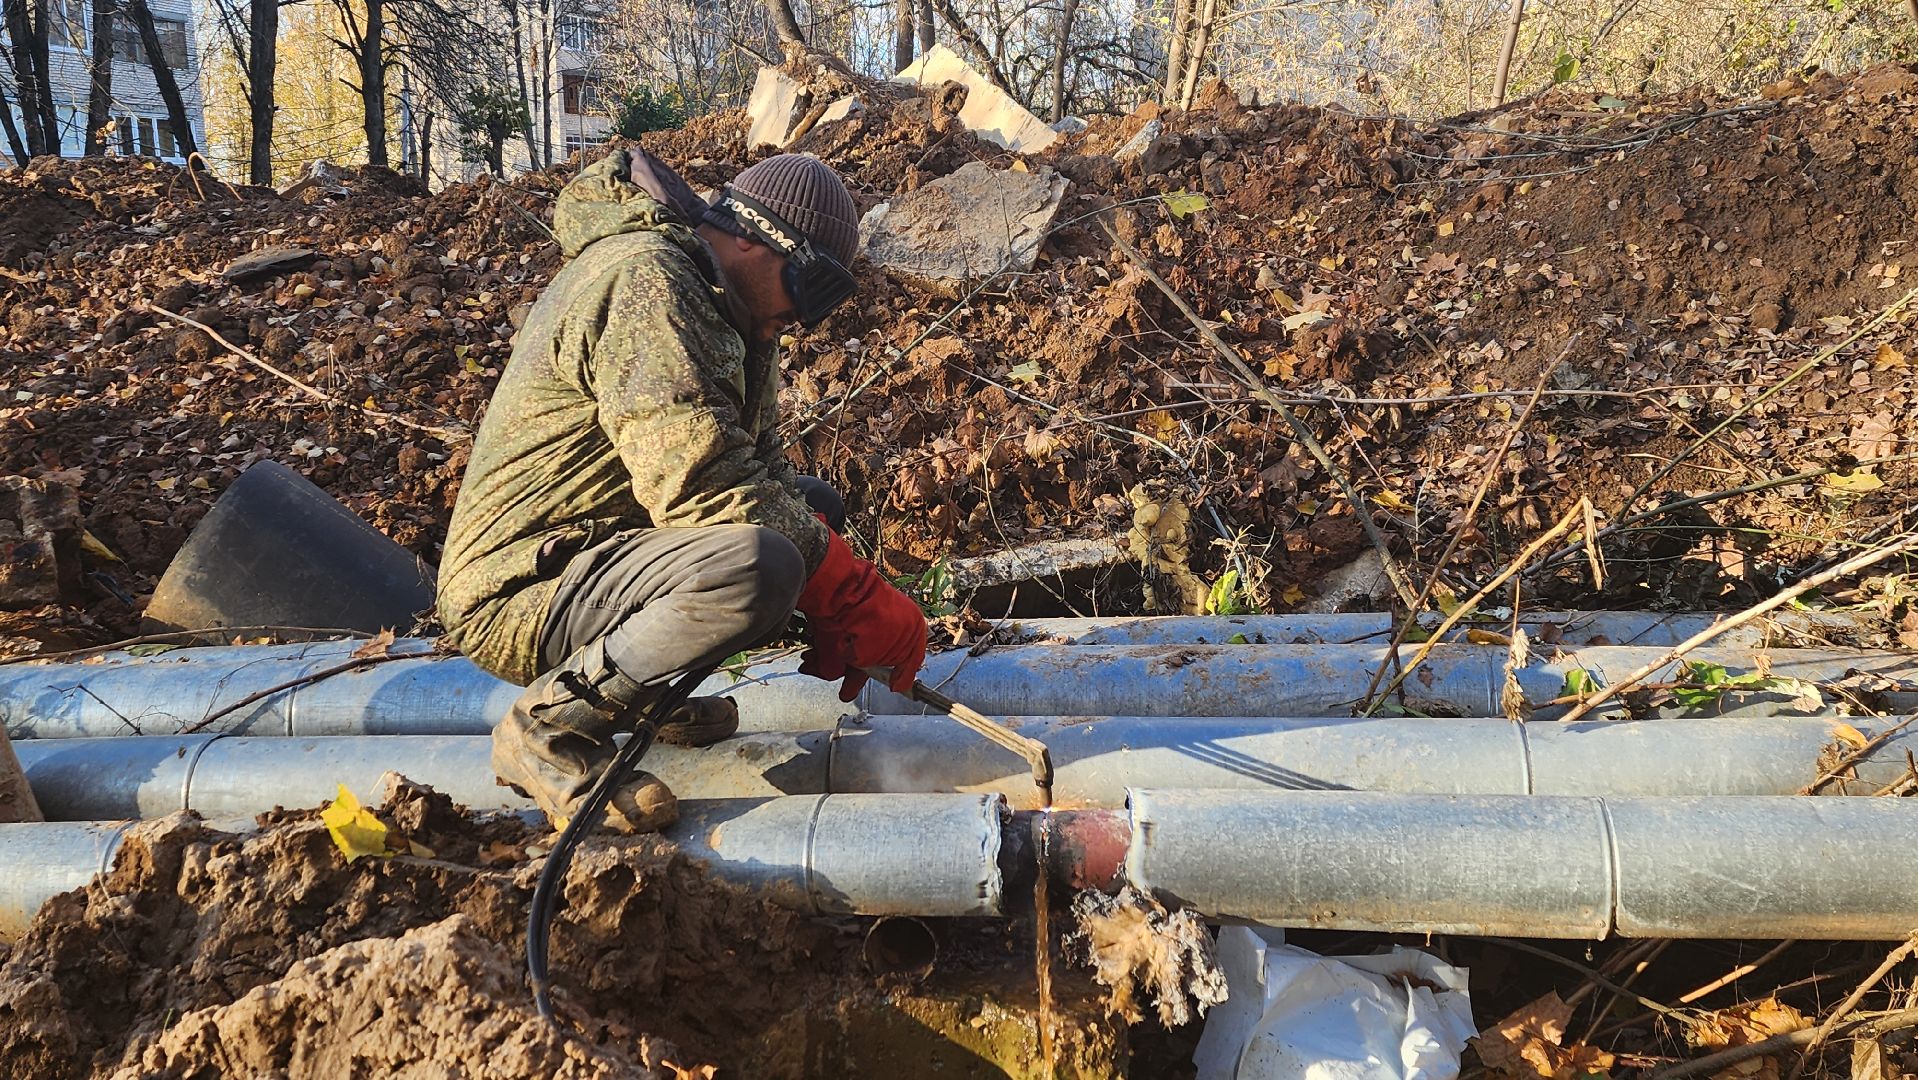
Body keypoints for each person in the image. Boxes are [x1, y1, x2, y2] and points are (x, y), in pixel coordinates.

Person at [437, 148, 927, 833]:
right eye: (808, 285)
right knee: (760, 563)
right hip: (519, 589)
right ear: (752, 238)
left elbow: (761, 469)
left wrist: (831, 590)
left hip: (597, 552)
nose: (805, 317)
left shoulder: (733, 307)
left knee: (812, 511)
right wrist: (847, 592)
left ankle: (642, 696)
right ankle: (548, 729)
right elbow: (702, 487)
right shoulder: (649, 283)